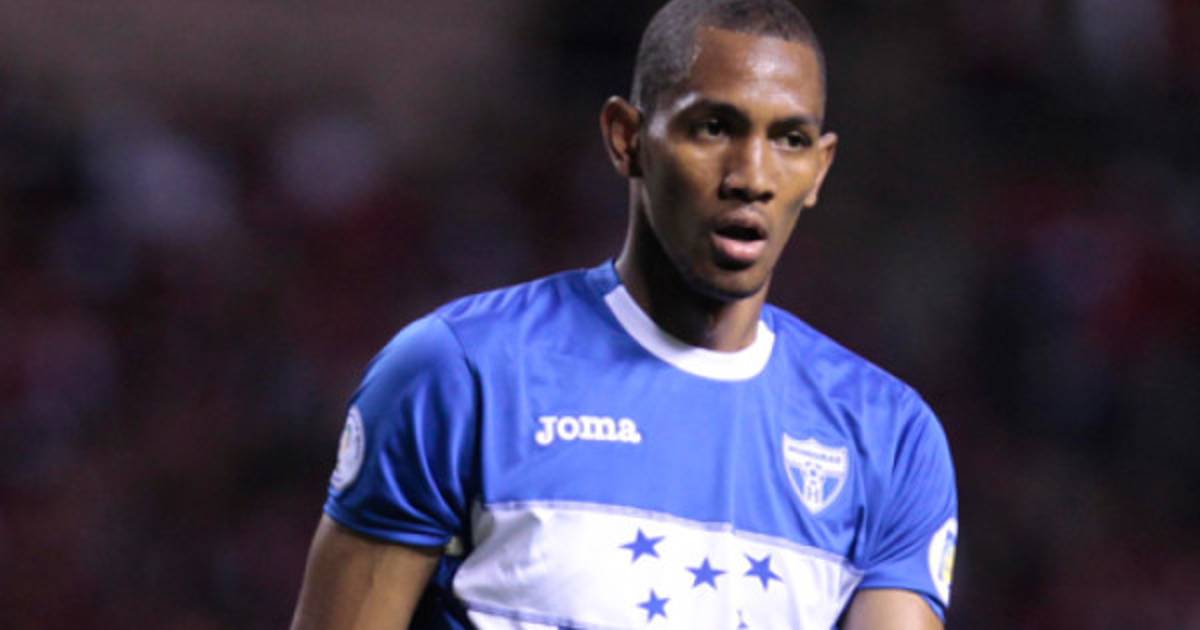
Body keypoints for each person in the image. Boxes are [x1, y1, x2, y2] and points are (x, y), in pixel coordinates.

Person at [290, 0, 958, 628]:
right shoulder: (460, 373)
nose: (751, 176)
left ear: (819, 169)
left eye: (789, 139)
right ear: (626, 138)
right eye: (714, 128)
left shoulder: (887, 437)